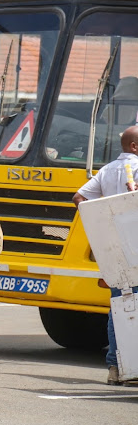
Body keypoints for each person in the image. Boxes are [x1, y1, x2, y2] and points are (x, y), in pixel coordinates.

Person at [73, 125, 138, 386]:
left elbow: (79, 197)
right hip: (135, 246)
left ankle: (115, 367)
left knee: (119, 305)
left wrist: (101, 224)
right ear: (134, 146)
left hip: (114, 249)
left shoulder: (108, 169)